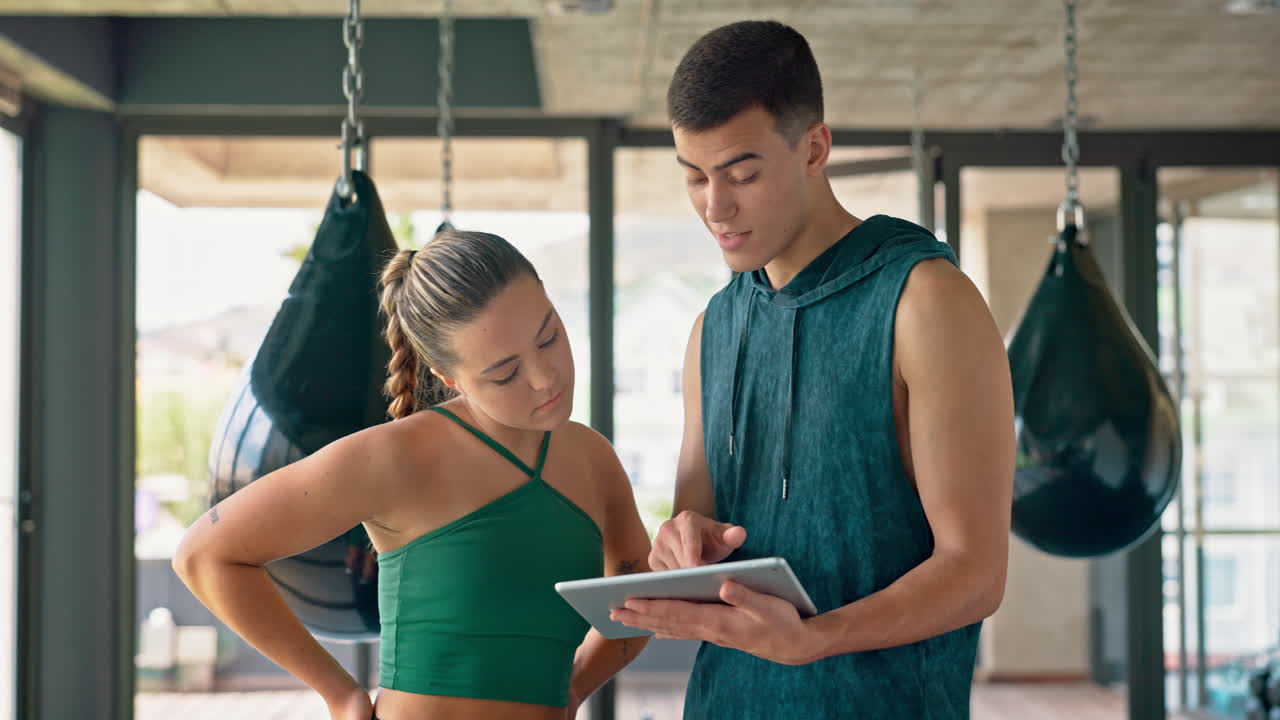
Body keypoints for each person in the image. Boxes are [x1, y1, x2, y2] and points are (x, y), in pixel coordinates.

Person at [609, 20, 1016, 719]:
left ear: (814, 149)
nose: (715, 207)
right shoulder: (712, 327)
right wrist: (680, 543)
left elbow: (975, 573)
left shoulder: (925, 301)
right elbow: (695, 528)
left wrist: (814, 639)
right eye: (695, 177)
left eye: (742, 174)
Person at [175, 230, 652, 720]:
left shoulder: (594, 460)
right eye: (505, 373)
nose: (545, 377)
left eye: (549, 337)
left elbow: (642, 592)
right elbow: (205, 555)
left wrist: (576, 686)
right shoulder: (396, 456)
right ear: (448, 377)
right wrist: (339, 693)